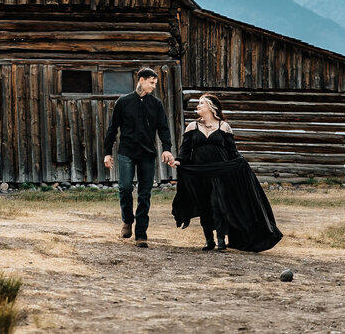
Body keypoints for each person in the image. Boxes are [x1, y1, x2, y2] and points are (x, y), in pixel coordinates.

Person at [169, 93, 282, 252]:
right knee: (205, 206)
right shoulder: (192, 126)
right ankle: (209, 240)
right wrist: (178, 161)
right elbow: (185, 151)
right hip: (200, 173)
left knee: (218, 205)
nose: (198, 105)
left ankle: (221, 240)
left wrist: (241, 163)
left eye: (201, 103)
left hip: (221, 173)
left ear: (211, 107)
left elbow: (232, 152)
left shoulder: (224, 127)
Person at [103, 67, 174, 248]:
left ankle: (141, 233)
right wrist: (107, 152)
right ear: (141, 80)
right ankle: (127, 220)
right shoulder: (123, 102)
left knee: (145, 194)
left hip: (147, 154)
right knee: (125, 188)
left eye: (155, 83)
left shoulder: (156, 104)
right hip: (126, 152)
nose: (153, 86)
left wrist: (166, 148)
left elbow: (163, 128)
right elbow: (113, 129)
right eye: (151, 82)